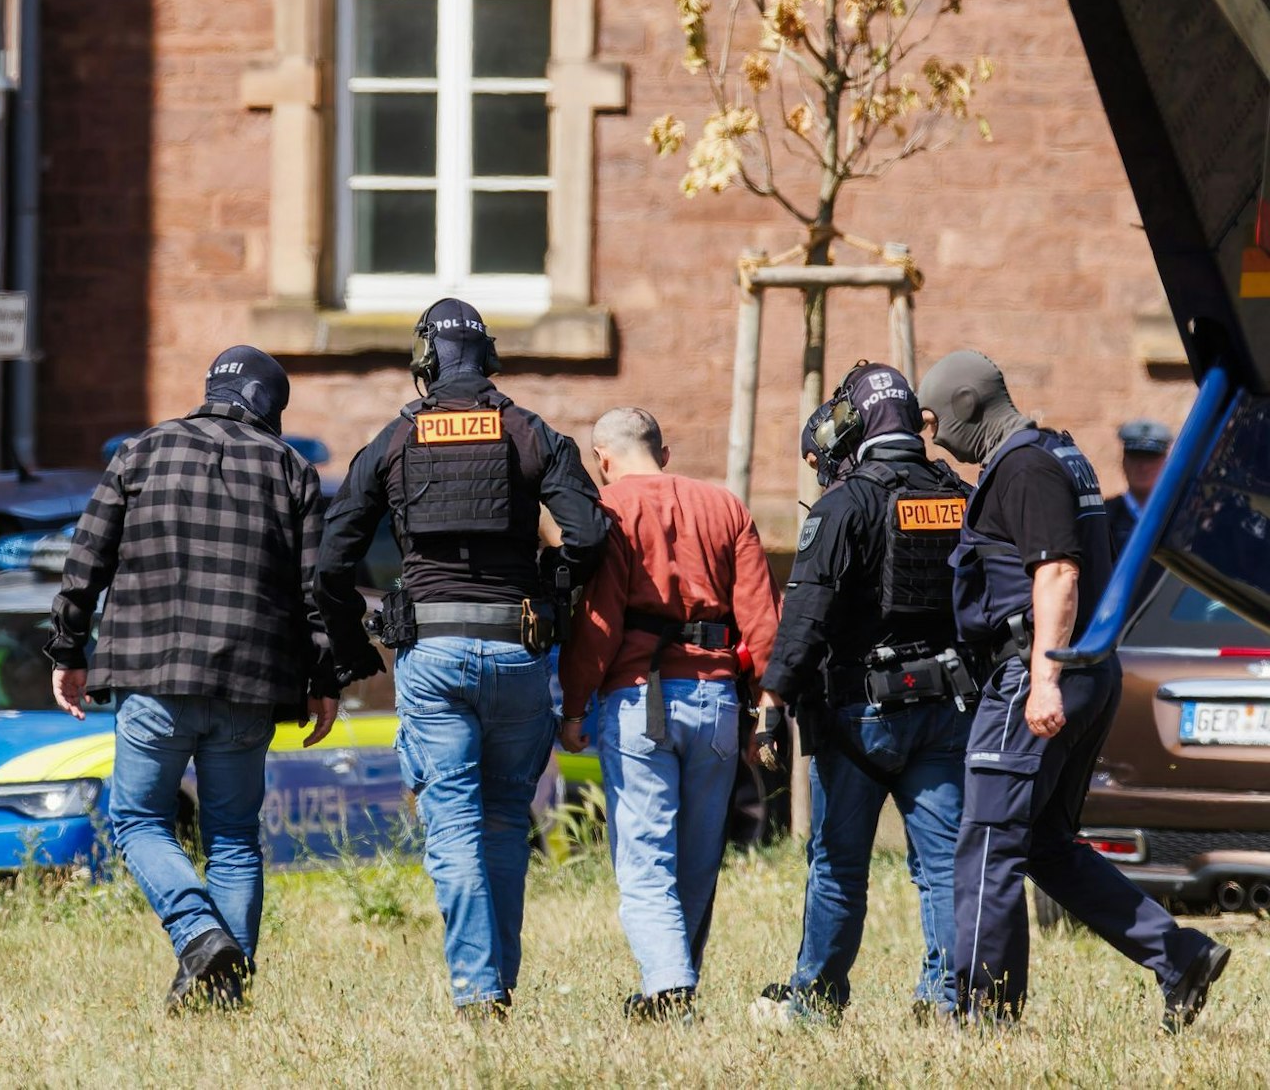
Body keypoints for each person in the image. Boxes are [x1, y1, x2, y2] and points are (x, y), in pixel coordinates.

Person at [315, 299, 608, 1019]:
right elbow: (590, 534)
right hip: (516, 652)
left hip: (433, 655)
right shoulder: (532, 433)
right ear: (490, 358)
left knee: (453, 823)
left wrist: (358, 649)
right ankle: (496, 986)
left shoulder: (393, 439)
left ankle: (479, 993)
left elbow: (330, 562)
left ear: (424, 362)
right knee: (508, 821)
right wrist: (552, 592)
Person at [921, 350, 1228, 1031]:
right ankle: (1179, 955)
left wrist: (1042, 680)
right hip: (1083, 669)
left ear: (968, 406)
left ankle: (983, 1012)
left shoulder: (1024, 466)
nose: (936, 436)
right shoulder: (1061, 455)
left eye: (938, 420)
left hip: (1039, 672)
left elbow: (1057, 572)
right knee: (1043, 845)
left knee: (988, 841)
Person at [46, 346, 337, 1012]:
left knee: (138, 819)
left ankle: (200, 935)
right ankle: (224, 989)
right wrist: (325, 677)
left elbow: (84, 558)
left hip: (153, 676)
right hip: (250, 683)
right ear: (271, 405)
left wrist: (67, 649)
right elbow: (316, 592)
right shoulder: (291, 468)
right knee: (233, 837)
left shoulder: (142, 451)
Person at [751, 364, 974, 1025]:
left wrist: (772, 700)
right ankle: (947, 1001)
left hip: (862, 717)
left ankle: (816, 1000)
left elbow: (807, 615)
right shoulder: (958, 495)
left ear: (855, 423)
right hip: (945, 708)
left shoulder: (845, 504)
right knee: (942, 867)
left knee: (838, 866)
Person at [558, 407, 781, 1024]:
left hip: (638, 700)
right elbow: (761, 618)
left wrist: (574, 707)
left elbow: (599, 623)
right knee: (698, 857)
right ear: (665, 449)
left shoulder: (611, 512)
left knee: (644, 853)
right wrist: (768, 699)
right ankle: (675, 984)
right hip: (715, 699)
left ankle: (669, 987)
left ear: (603, 460)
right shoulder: (726, 506)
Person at [1104, 418, 1173, 605]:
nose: (1142, 466)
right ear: (1124, 461)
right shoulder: (1103, 518)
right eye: (1136, 457)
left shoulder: (1179, 517)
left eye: (1150, 458)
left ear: (1165, 463)